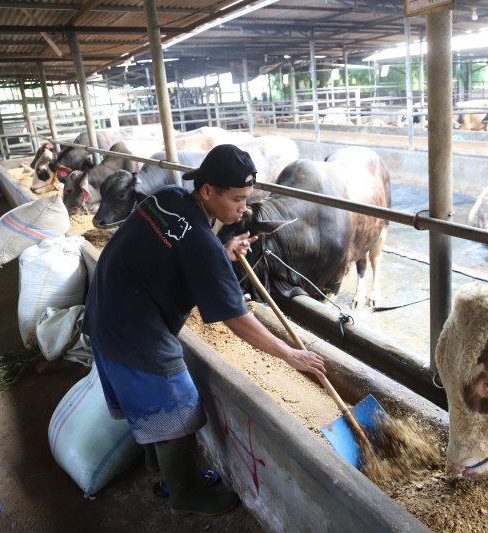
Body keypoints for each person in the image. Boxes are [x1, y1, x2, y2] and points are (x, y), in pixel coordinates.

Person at [82, 144, 326, 517]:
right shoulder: (203, 246)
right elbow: (237, 319)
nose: (244, 209)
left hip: (102, 308)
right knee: (179, 411)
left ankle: (154, 462)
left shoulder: (168, 197)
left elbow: (179, 245)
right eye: (238, 199)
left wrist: (221, 248)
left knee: (147, 406)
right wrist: (291, 354)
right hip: (132, 330)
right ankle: (184, 494)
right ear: (208, 190)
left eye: (247, 199)